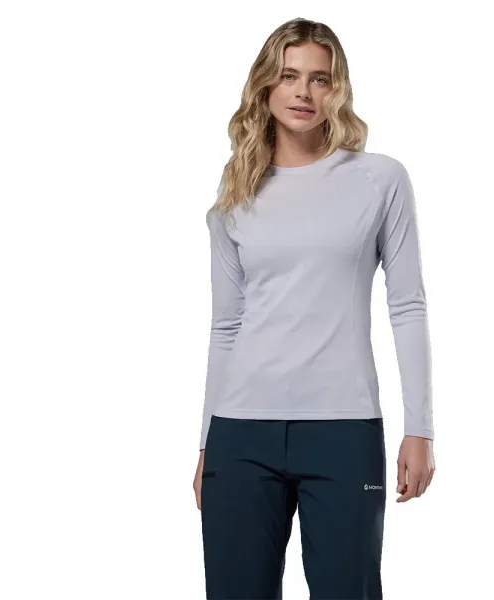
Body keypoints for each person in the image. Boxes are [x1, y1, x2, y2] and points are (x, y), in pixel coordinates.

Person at [193, 17, 435, 599]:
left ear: (337, 89)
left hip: (343, 431)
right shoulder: (235, 193)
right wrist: (206, 442)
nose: (304, 92)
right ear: (265, 85)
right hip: (239, 434)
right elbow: (226, 326)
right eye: (289, 76)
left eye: (320, 79)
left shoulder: (379, 180)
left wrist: (419, 428)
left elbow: (407, 304)